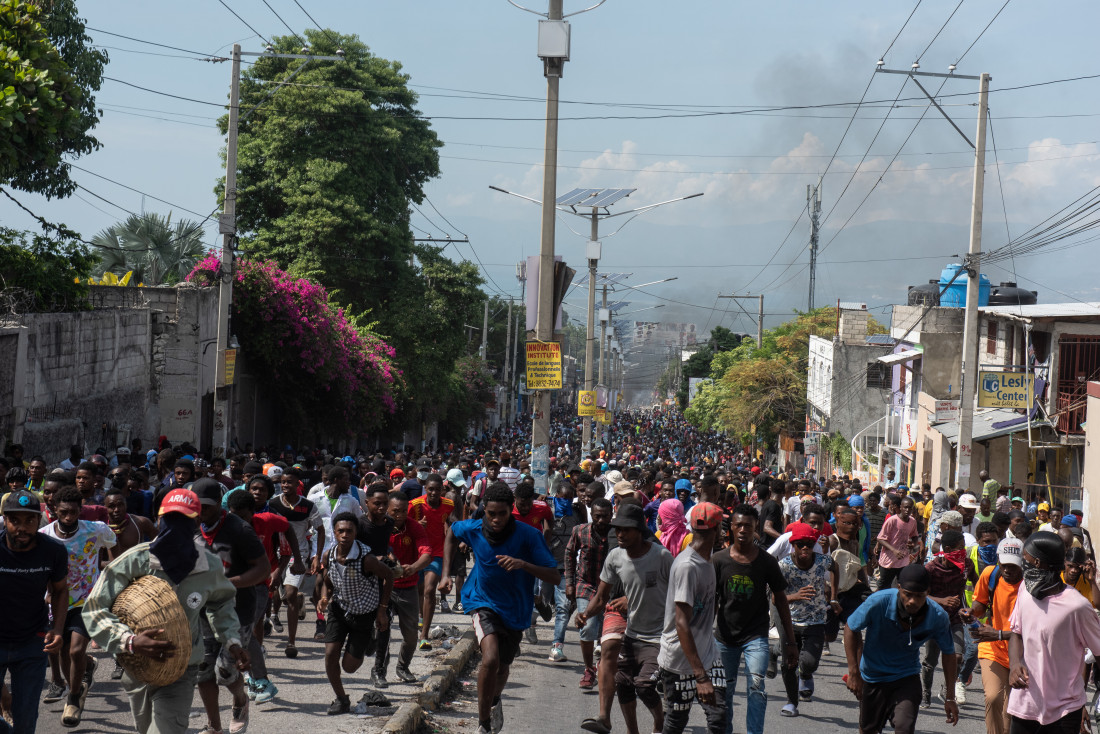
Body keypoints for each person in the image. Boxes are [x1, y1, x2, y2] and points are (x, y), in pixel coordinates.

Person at [84, 488, 247, 734]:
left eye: (185, 520)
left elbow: (221, 603)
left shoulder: (208, 566)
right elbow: (95, 607)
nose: (176, 526)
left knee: (165, 730)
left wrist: (232, 640)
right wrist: (128, 641)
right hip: (136, 665)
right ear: (159, 520)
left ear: (197, 523)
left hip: (183, 666)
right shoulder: (135, 561)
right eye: (170, 519)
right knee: (145, 727)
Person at [440, 483, 560, 734]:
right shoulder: (473, 528)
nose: (495, 519)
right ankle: (483, 724)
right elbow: (452, 531)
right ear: (484, 510)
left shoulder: (529, 535)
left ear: (511, 510)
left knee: (503, 666)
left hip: (516, 607)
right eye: (490, 513)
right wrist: (446, 572)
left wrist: (523, 564)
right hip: (481, 600)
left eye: (501, 514)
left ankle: (493, 700)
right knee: (490, 658)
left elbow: (554, 576)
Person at [577, 503, 672, 734]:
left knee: (645, 686)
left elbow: (678, 593)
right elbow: (601, 597)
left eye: (626, 530)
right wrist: (586, 614)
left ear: (640, 530)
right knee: (623, 684)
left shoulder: (661, 556)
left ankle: (660, 723)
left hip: (658, 637)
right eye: (617, 529)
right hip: (632, 635)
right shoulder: (615, 557)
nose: (619, 534)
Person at [193, 478, 271, 734]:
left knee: (225, 672)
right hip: (201, 611)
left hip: (237, 611)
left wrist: (227, 584)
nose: (201, 511)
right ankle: (214, 726)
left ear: (219, 502)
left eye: (206, 506)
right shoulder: (189, 526)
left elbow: (262, 569)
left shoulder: (239, 529)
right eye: (197, 506)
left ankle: (240, 700)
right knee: (203, 671)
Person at [844, 564, 959, 734]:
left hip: (906, 677)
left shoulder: (937, 616)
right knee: (868, 729)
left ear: (928, 592)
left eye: (919, 596)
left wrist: (950, 697)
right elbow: (851, 628)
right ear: (899, 589)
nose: (912, 601)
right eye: (908, 594)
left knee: (904, 727)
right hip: (873, 676)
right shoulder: (878, 602)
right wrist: (854, 672)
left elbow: (949, 654)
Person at [713, 504, 796, 734]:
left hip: (756, 636)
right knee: (725, 691)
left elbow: (781, 600)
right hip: (724, 637)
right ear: (731, 528)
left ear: (755, 528)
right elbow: (711, 602)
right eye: (738, 525)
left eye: (747, 526)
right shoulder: (719, 561)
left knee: (757, 688)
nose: (742, 530)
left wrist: (790, 641)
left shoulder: (766, 562)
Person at [1007, 532, 1100, 733]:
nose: (1023, 564)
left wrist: (1087, 702)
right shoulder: (1024, 589)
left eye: (1026, 560)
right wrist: (1014, 664)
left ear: (1039, 564)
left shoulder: (1077, 606)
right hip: (1026, 704)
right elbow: (1016, 633)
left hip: (1065, 710)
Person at [41, 485, 117, 727]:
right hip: (55, 602)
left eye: (73, 512)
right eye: (63, 512)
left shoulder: (95, 530)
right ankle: (83, 672)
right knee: (63, 651)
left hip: (87, 600)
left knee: (75, 650)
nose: (68, 517)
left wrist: (111, 569)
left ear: (80, 510)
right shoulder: (44, 535)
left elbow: (112, 544)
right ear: (54, 509)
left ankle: (74, 700)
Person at [0, 490, 68, 734]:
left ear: (39, 520)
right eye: (15, 520)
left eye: (29, 520)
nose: (22, 527)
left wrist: (58, 629)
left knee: (26, 720)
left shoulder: (53, 551)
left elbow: (60, 591)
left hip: (31, 643)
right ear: (5, 520)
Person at [658, 502, 726, 734]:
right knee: (676, 722)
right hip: (680, 659)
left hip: (707, 652)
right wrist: (700, 676)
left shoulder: (708, 559)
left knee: (718, 717)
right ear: (716, 530)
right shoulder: (688, 566)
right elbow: (681, 622)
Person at [317, 512, 394, 715]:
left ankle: (371, 640)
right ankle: (342, 699)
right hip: (339, 610)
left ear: (355, 533)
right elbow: (327, 581)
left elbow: (389, 577)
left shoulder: (366, 559)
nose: (344, 535)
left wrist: (382, 611)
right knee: (330, 655)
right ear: (334, 532)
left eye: (349, 531)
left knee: (349, 666)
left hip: (364, 613)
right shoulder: (329, 555)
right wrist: (324, 597)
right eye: (340, 531)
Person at [778, 521, 839, 717]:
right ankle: (791, 703)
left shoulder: (822, 561)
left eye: (809, 544)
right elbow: (773, 597)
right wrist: (793, 596)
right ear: (793, 545)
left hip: (816, 620)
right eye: (800, 544)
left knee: (809, 663)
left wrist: (834, 596)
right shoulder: (784, 566)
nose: (805, 548)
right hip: (790, 622)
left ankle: (805, 674)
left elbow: (835, 568)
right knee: (789, 663)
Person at [969, 537, 1024, 734]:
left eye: (1013, 565)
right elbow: (980, 604)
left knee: (1011, 711)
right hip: (992, 648)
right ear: (998, 560)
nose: (1008, 570)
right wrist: (971, 613)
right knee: (993, 697)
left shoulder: (1032, 584)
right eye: (1004, 564)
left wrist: (1000, 633)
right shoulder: (990, 574)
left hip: (1021, 653)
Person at [270, 470, 323, 660]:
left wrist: (316, 556)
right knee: (273, 589)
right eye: (283, 482)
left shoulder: (308, 506)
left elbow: (320, 529)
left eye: (289, 482)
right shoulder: (273, 503)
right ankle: (274, 612)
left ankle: (291, 642)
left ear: (297, 484)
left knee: (291, 593)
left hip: (298, 554)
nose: (285, 486)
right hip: (275, 554)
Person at [565, 497, 616, 690]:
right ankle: (589, 669)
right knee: (587, 626)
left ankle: (604, 668)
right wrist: (569, 583)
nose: (601, 521)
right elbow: (569, 554)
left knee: (607, 632)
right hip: (586, 585)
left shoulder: (617, 533)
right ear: (592, 515)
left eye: (605, 516)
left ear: (611, 515)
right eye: (597, 517)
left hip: (610, 588)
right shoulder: (580, 531)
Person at [384, 490, 432, 684]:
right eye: (395, 511)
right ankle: (379, 669)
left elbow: (426, 553)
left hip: (408, 587)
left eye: (404, 511)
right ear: (387, 509)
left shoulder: (414, 527)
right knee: (381, 632)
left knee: (411, 635)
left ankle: (402, 667)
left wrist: (413, 568)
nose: (399, 515)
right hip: (384, 587)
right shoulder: (379, 527)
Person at [920, 529, 972, 708]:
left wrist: (971, 608)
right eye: (960, 548)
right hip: (935, 620)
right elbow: (922, 595)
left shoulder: (966, 564)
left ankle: (946, 689)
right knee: (931, 661)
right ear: (948, 549)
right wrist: (942, 600)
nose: (963, 551)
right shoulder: (931, 569)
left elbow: (977, 582)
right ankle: (925, 693)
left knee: (958, 657)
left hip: (956, 619)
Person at [409, 473, 456, 651]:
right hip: (417, 554)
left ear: (442, 490)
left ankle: (424, 636)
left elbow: (453, 524)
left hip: (437, 553)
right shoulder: (415, 505)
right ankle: (421, 616)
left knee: (430, 590)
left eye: (437, 489)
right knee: (419, 590)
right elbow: (402, 523)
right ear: (425, 489)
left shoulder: (448, 505)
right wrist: (416, 524)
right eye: (431, 489)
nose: (434, 493)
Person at [876, 497, 920, 589]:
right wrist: (894, 550)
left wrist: (913, 544)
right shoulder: (892, 520)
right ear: (900, 507)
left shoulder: (912, 521)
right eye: (905, 507)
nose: (907, 510)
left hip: (903, 560)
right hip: (889, 560)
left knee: (903, 586)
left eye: (910, 508)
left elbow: (915, 536)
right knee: (883, 587)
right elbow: (880, 538)